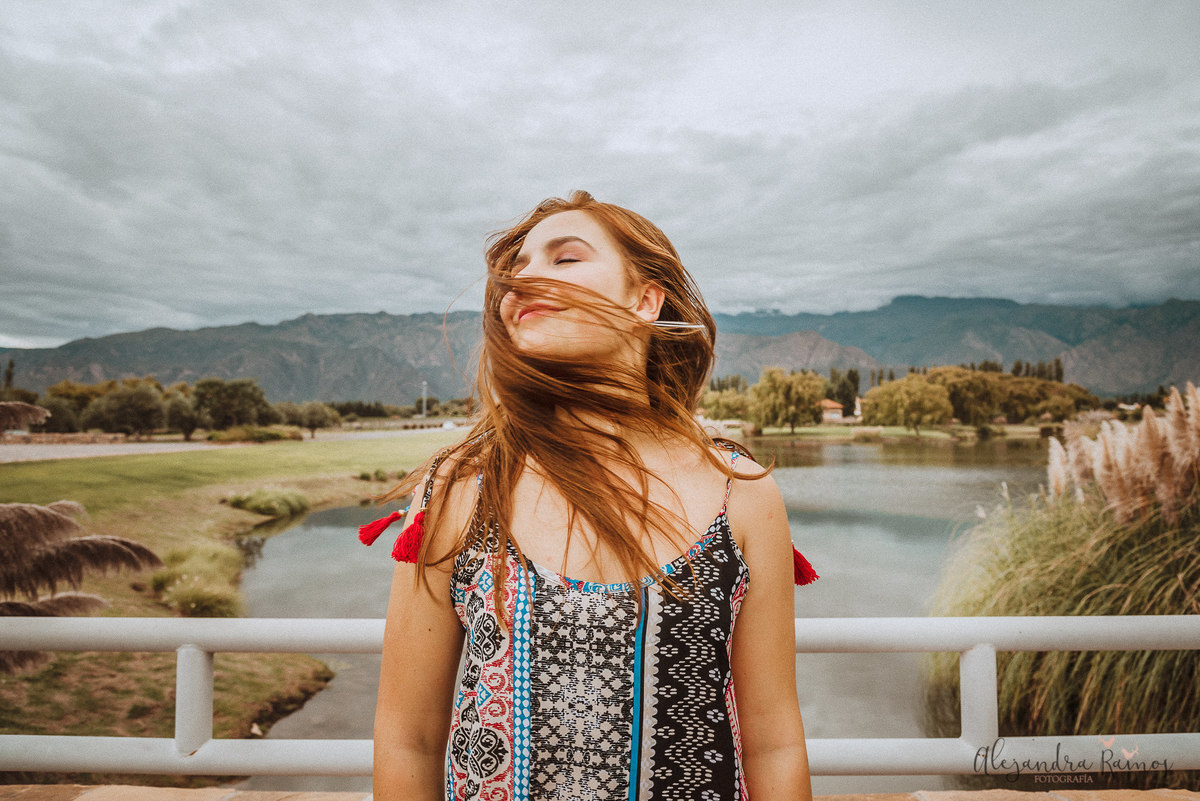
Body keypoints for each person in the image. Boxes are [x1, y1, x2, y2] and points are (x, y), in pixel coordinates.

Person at [365, 191, 816, 801]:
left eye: (565, 259)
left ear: (645, 300)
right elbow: (407, 737)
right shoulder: (462, 487)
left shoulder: (742, 493)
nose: (522, 281)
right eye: (516, 270)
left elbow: (774, 739)